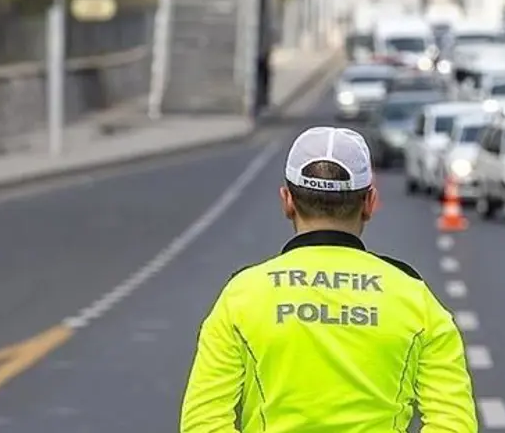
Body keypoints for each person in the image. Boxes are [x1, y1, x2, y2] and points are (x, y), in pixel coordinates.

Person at [180, 127, 477, 432]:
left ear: (287, 201)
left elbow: (203, 423)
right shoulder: (415, 299)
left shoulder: (242, 296)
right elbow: (453, 423)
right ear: (370, 203)